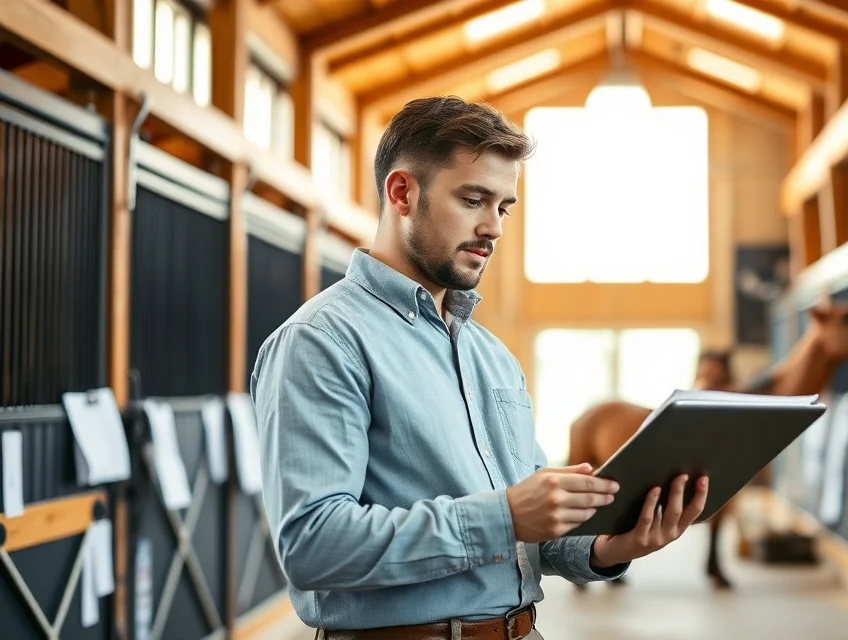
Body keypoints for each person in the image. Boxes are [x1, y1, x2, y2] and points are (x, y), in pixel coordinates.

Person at [250, 96, 709, 640]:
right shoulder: (321, 343)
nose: (493, 227)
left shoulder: (491, 355)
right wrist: (505, 516)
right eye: (473, 200)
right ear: (402, 193)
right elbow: (313, 545)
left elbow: (533, 526)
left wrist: (611, 547)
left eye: (504, 207)